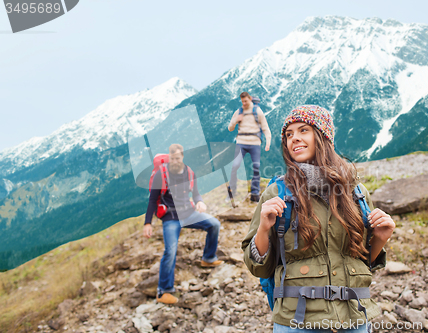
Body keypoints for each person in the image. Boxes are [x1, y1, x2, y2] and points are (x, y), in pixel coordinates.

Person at [241, 105, 396, 332]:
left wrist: (380, 239)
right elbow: (259, 268)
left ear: (323, 137)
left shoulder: (357, 192)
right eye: (288, 134)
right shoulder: (277, 192)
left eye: (303, 130)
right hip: (297, 321)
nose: (294, 139)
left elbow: (361, 264)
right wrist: (263, 229)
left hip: (354, 318)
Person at [143, 143, 223, 305]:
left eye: (178, 158)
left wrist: (200, 202)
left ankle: (208, 258)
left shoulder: (189, 172)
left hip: (188, 213)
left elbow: (196, 193)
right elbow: (152, 200)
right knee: (170, 250)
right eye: (172, 158)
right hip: (170, 217)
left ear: (182, 157)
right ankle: (163, 291)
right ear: (169, 158)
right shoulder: (161, 174)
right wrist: (147, 223)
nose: (175, 161)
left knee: (214, 224)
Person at [228, 92, 272, 202]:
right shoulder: (239, 112)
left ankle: (255, 193)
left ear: (250, 99)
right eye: (242, 101)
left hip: (255, 143)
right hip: (241, 142)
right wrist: (235, 120)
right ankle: (231, 191)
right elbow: (230, 128)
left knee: (256, 167)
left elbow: (265, 128)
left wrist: (268, 142)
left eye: (246, 101)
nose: (244, 103)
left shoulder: (257, 111)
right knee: (235, 166)